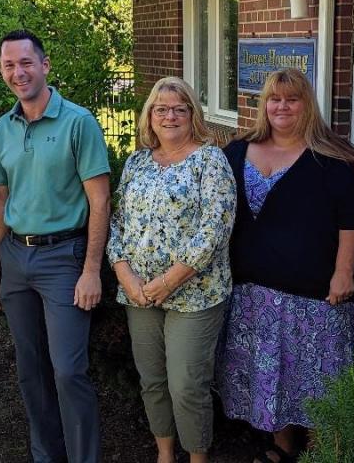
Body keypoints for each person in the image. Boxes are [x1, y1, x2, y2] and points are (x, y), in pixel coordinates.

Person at [215, 68, 354, 463]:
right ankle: (281, 449)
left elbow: (352, 219)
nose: (282, 106)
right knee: (273, 380)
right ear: (263, 104)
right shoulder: (235, 152)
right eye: (274, 98)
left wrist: (344, 271)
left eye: (292, 99)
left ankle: (320, 453)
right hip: (253, 294)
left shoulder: (333, 159)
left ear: (307, 106)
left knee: (319, 380)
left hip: (316, 296)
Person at [0, 30, 110, 463]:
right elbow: (1, 199)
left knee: (69, 370)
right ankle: (46, 455)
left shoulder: (78, 122)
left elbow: (100, 199)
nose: (18, 73)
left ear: (45, 65)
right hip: (15, 257)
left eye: (26, 63)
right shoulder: (1, 129)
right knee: (30, 370)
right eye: (9, 65)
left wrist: (92, 268)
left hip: (63, 259)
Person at [107, 77, 235, 463]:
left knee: (187, 385)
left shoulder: (210, 160)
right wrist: (125, 275)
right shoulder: (137, 162)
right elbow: (117, 222)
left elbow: (215, 228)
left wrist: (168, 281)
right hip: (138, 294)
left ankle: (197, 457)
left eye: (180, 108)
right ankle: (165, 453)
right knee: (153, 380)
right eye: (161, 109)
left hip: (195, 294)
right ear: (150, 115)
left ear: (193, 114)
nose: (170, 115)